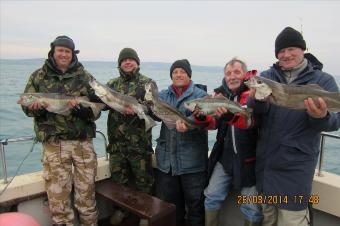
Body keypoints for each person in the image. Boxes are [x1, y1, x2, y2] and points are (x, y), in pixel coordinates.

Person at [247, 27, 340, 226]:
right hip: (266, 168)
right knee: (267, 220)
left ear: (303, 50)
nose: (286, 54)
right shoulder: (267, 76)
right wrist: (257, 101)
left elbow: (335, 121)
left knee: (292, 221)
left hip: (296, 170)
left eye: (292, 49)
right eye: (281, 51)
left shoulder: (324, 81)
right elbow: (255, 111)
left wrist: (321, 117)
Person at [21, 36, 99, 226]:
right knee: (58, 201)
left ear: (72, 53)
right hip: (54, 145)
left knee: (87, 197)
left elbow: (99, 107)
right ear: (53, 52)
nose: (64, 54)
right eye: (60, 50)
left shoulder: (85, 77)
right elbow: (25, 107)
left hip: (82, 143)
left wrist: (86, 111)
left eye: (67, 51)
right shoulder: (38, 76)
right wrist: (36, 107)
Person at [194, 58, 262, 226]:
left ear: (245, 74)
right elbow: (212, 124)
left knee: (251, 206)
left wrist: (232, 115)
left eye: (236, 72)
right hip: (225, 159)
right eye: (228, 74)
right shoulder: (220, 96)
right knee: (211, 196)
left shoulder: (253, 95)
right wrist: (201, 116)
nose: (232, 77)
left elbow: (254, 121)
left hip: (250, 161)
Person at [154, 59, 208, 226]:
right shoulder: (163, 95)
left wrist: (189, 124)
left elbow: (207, 118)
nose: (178, 74)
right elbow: (154, 112)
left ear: (189, 75)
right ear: (171, 76)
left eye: (182, 72)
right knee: (170, 207)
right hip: (167, 163)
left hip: (192, 164)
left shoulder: (201, 95)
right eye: (175, 72)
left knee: (195, 207)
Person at [106, 48, 154, 226]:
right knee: (119, 182)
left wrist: (139, 110)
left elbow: (154, 108)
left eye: (131, 60)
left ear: (137, 63)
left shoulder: (147, 83)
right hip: (117, 144)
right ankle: (121, 210)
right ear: (119, 64)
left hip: (140, 145)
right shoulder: (111, 84)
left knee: (144, 182)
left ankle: (145, 214)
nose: (127, 62)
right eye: (124, 60)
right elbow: (102, 105)